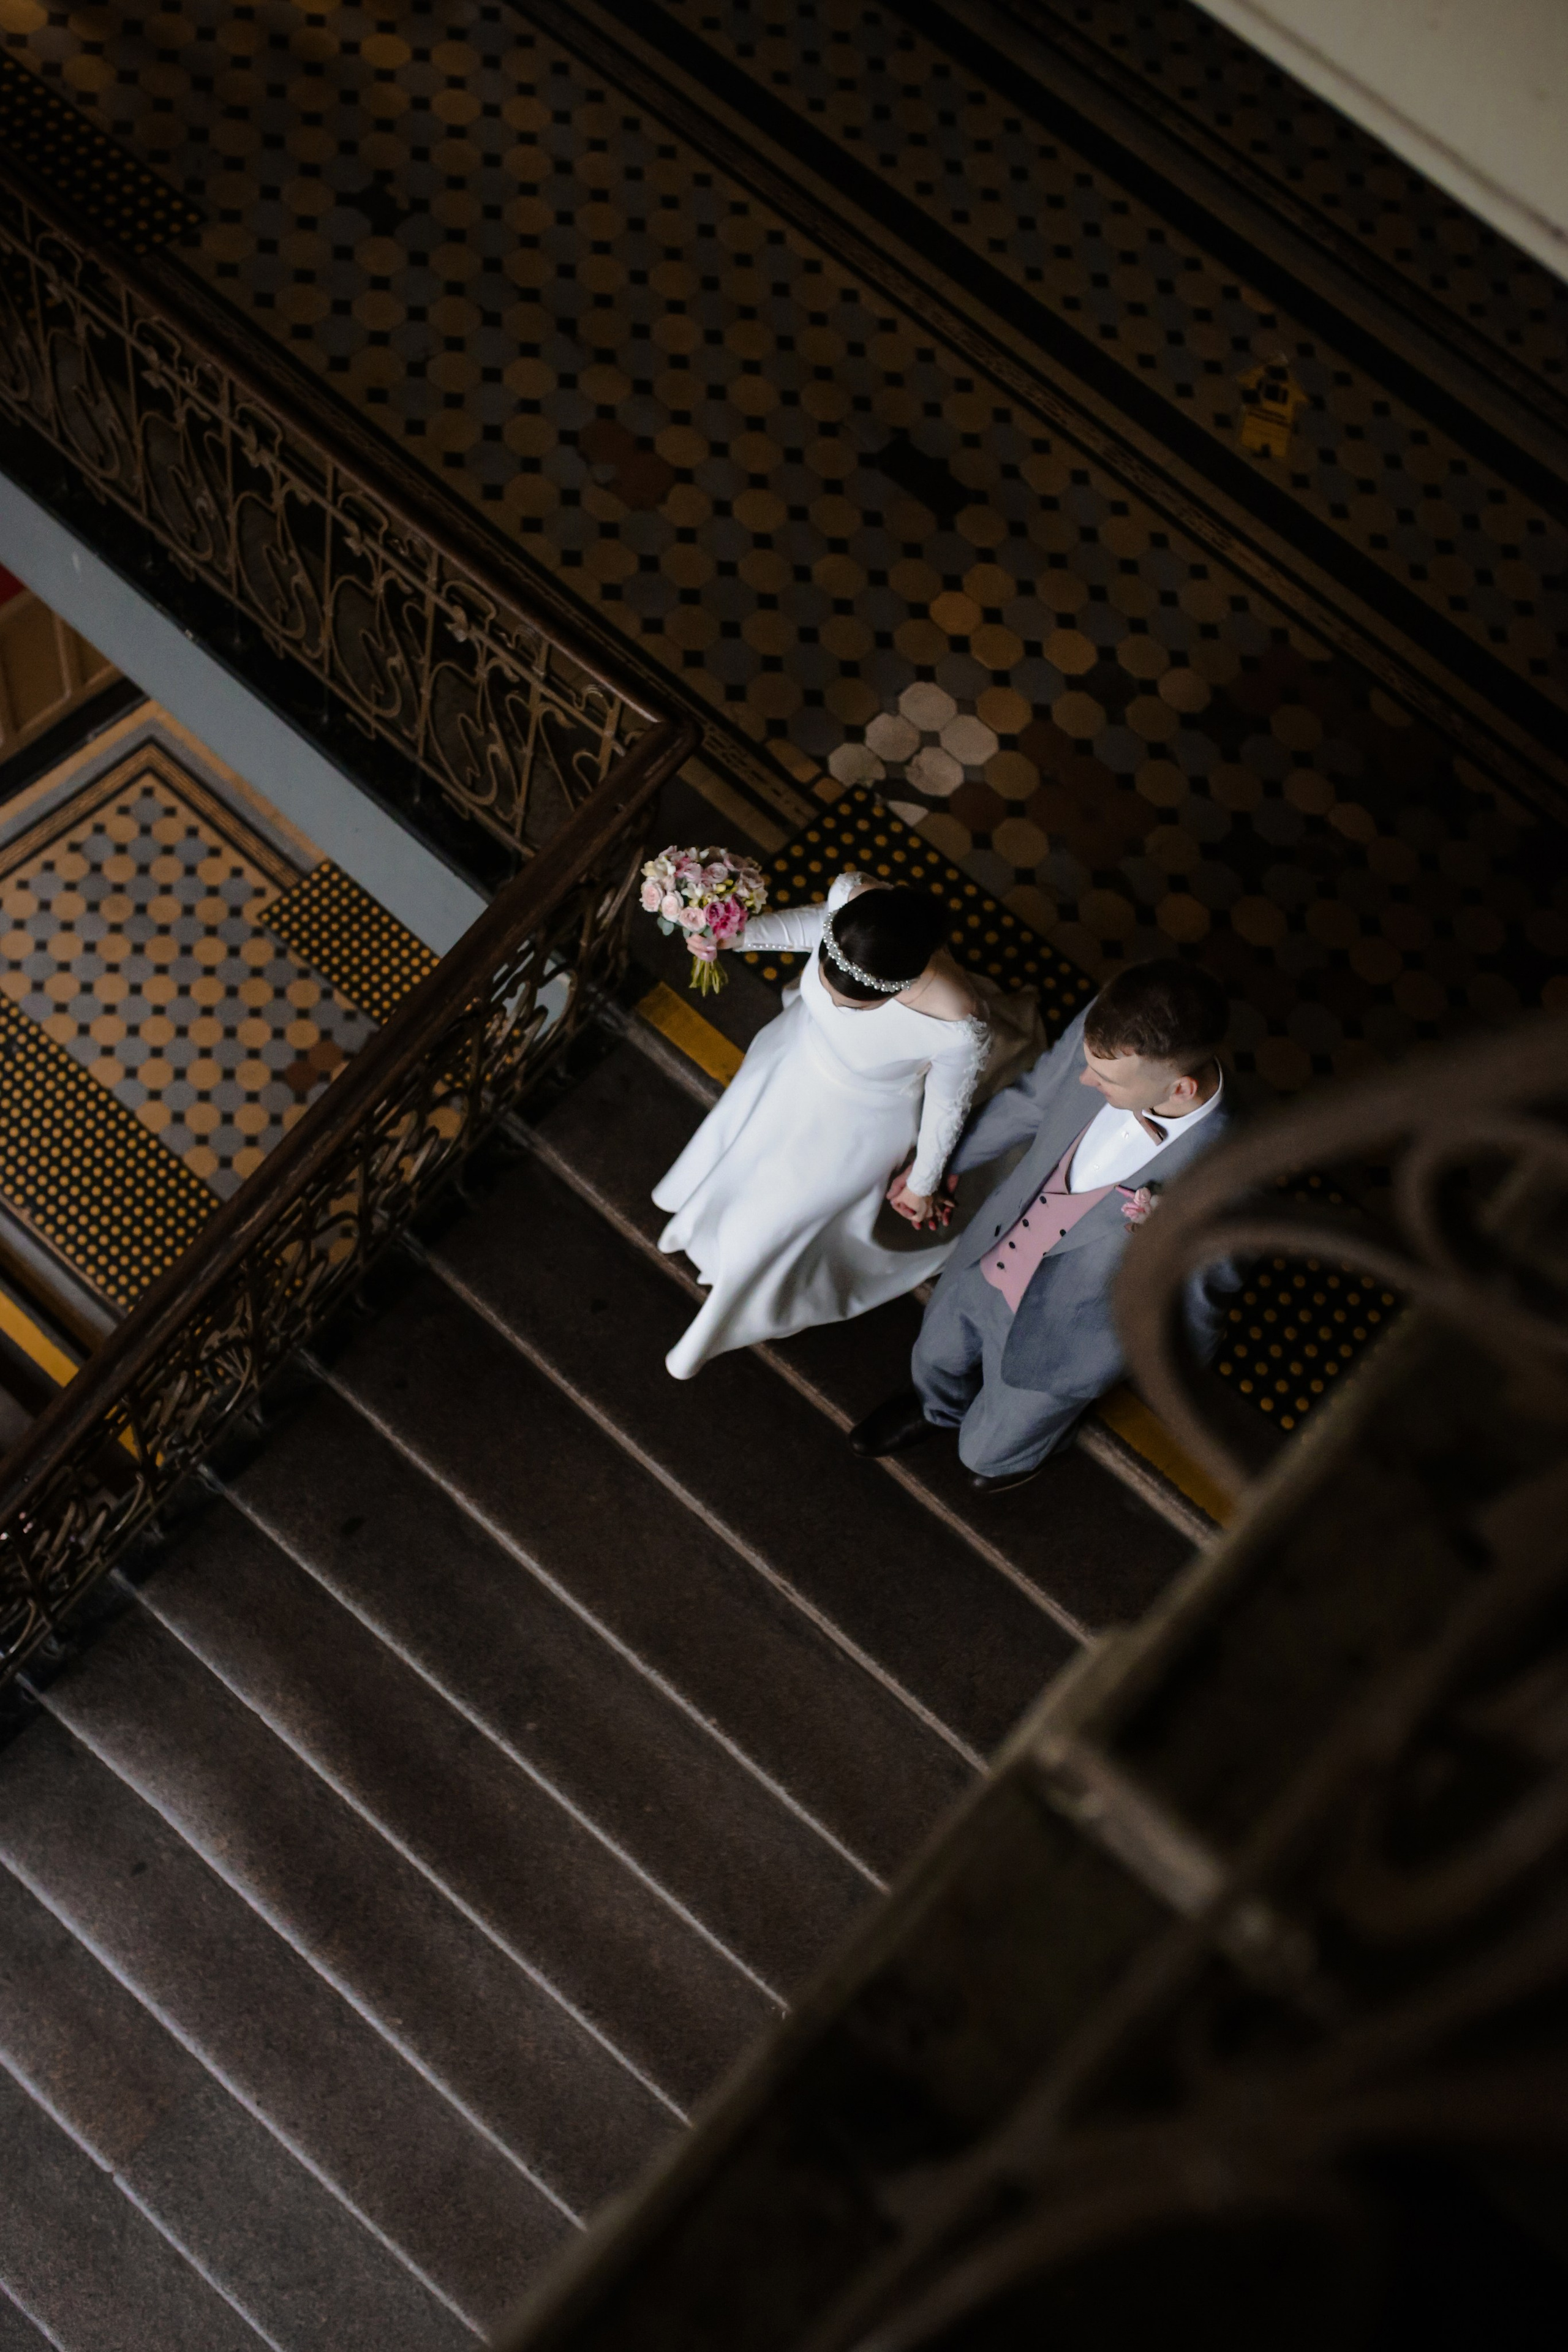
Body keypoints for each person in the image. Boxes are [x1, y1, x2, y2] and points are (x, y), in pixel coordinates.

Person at [848, 958, 1238, 1493]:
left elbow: (1200, 1302)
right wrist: (936, 1169)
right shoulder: (1110, 1028)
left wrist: (1171, 1383)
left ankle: (1013, 1457)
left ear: (1181, 1090)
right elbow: (1031, 1103)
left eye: (1103, 1080)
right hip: (991, 1252)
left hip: (1069, 1335)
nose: (1083, 1079)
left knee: (984, 1455)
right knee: (936, 1353)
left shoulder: (1231, 1180)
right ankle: (935, 1409)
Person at [654, 869, 1038, 1381]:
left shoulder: (958, 1027)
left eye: (858, 1004)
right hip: (792, 1062)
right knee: (740, 1154)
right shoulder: (851, 902)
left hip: (866, 1121)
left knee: (786, 1218)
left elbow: (947, 1109)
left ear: (902, 987)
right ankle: (703, 1227)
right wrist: (729, 937)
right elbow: (805, 927)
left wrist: (923, 1184)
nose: (837, 1004)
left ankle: (730, 1309)